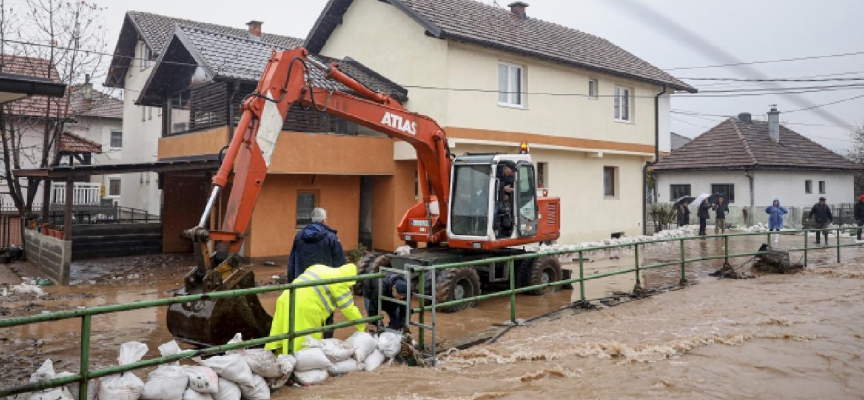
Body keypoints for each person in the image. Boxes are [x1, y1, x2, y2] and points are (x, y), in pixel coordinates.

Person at [266, 263, 365, 354]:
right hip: (305, 306)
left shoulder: (320, 267)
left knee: (285, 332)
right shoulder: (341, 282)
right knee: (305, 342)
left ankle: (279, 362)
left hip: (286, 297)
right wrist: (363, 326)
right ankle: (295, 367)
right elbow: (349, 310)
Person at [287, 207, 347, 338]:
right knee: (327, 317)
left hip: (303, 284)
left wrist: (290, 284)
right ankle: (327, 344)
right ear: (323, 220)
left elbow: (292, 261)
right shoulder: (332, 238)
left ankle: (304, 347)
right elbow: (340, 263)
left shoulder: (299, 237)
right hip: (325, 284)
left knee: (304, 316)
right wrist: (343, 284)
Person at [494, 161, 517, 237]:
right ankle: (494, 230)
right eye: (512, 171)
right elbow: (491, 185)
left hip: (501, 199)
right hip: (493, 199)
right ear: (506, 168)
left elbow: (508, 185)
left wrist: (506, 194)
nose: (512, 173)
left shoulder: (509, 177)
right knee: (494, 213)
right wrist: (503, 189)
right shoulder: (495, 172)